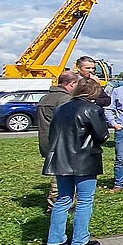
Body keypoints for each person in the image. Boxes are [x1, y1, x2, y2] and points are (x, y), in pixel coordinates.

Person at [43, 75, 112, 245]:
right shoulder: (92, 109)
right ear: (94, 92)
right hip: (84, 159)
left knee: (63, 198)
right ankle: (80, 239)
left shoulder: (61, 108)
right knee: (84, 200)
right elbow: (102, 136)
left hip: (60, 158)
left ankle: (55, 238)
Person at [36, 71, 82, 209]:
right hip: (62, 143)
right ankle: (57, 205)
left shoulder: (45, 98)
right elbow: (70, 125)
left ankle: (58, 204)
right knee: (62, 176)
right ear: (71, 84)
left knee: (58, 173)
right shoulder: (65, 99)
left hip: (47, 140)